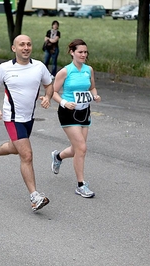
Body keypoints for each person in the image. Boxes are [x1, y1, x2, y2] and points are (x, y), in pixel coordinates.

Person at [0, 35, 53, 211]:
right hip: (12, 117)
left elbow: (49, 84)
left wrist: (48, 97)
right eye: (21, 45)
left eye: (29, 44)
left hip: (29, 117)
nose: (26, 47)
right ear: (14, 48)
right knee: (27, 154)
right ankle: (34, 196)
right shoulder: (5, 68)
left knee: (16, 148)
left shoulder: (39, 67)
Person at [51, 39, 101, 198]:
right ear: (72, 52)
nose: (83, 55)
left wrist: (95, 95)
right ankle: (81, 185)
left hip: (84, 112)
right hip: (67, 112)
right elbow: (53, 92)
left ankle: (58, 156)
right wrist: (65, 102)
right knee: (82, 148)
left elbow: (92, 86)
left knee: (77, 148)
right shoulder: (65, 71)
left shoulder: (89, 70)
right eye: (80, 52)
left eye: (85, 52)